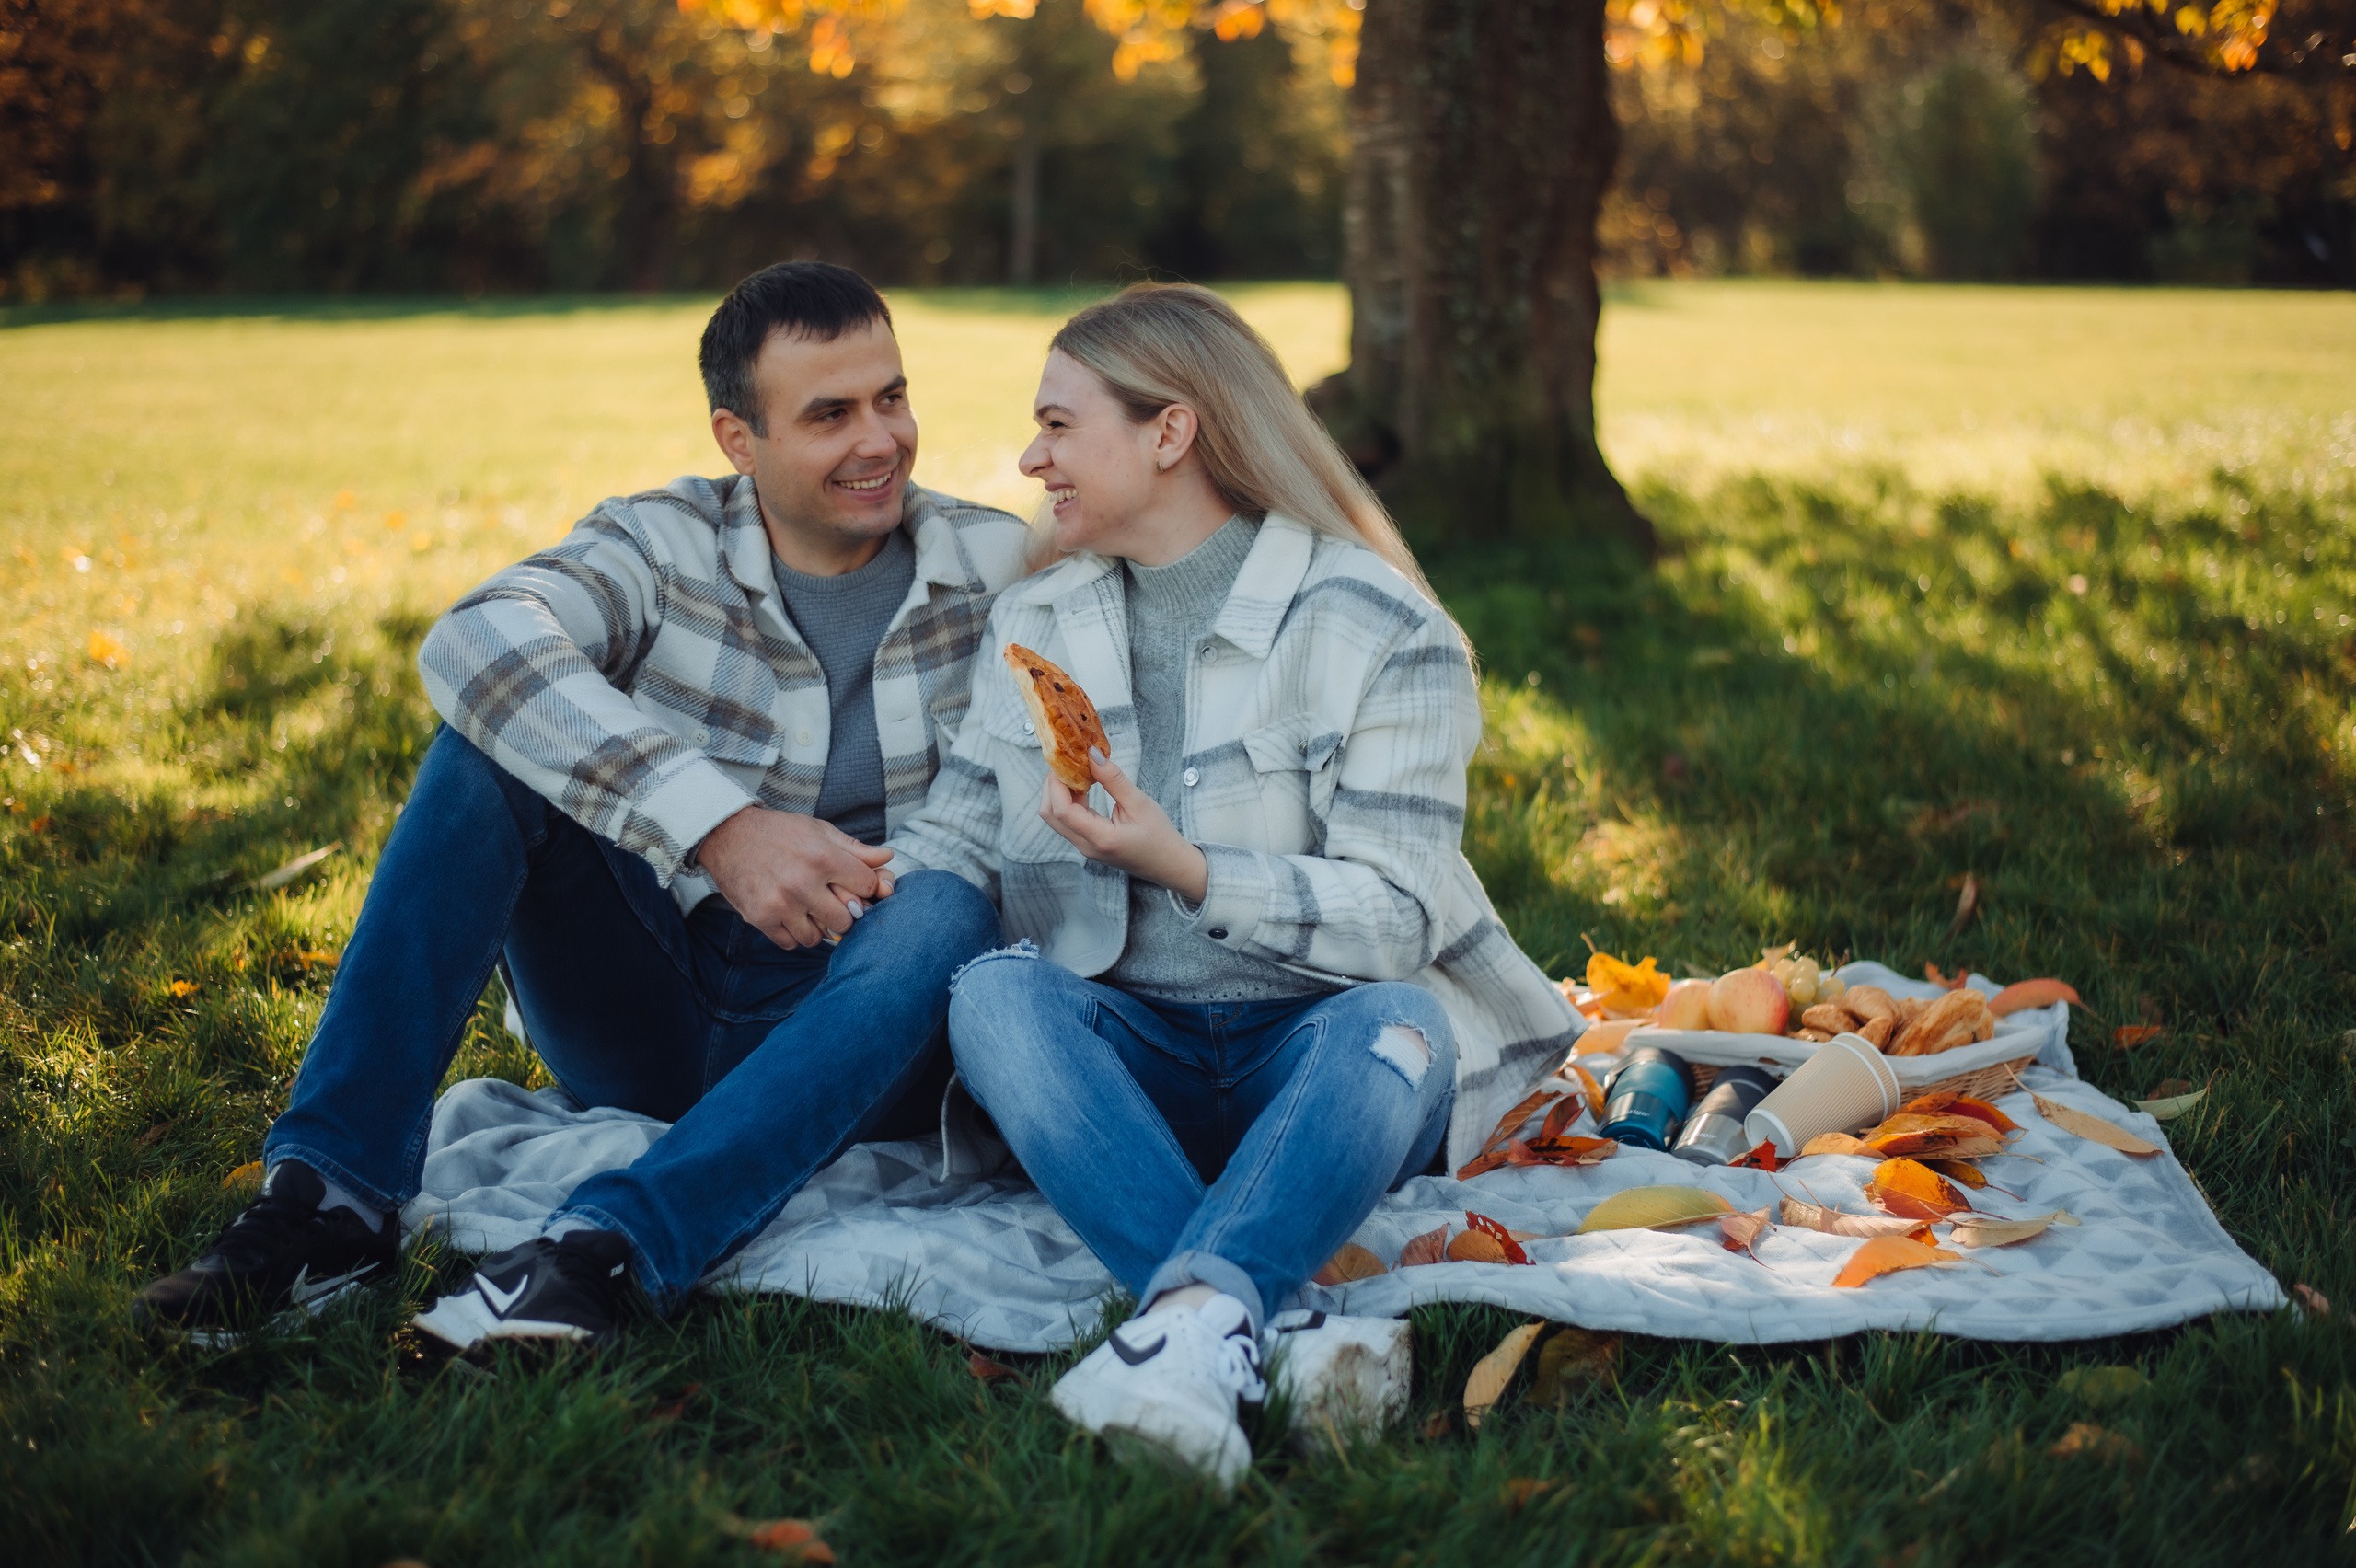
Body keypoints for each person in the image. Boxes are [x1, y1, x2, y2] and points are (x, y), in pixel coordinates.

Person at [133, 261, 1027, 1348]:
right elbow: (476, 639)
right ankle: (332, 1203)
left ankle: (606, 1252)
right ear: (738, 441)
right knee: (487, 746)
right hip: (648, 1007)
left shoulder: (997, 565)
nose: (880, 440)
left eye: (892, 397)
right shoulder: (660, 542)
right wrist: (720, 829)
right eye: (829, 415)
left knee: (949, 907)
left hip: (860, 1029)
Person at [883, 283, 1581, 1486]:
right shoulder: (1036, 621)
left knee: (1405, 1022)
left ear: (1170, 432)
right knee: (993, 995)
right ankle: (1239, 1323)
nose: (1030, 459)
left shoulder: (1378, 625)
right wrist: (804, 883)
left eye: (1057, 425)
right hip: (1127, 1066)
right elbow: (955, 837)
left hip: (1324, 1060)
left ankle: (1187, 1323)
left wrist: (1187, 868)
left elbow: (1400, 918)